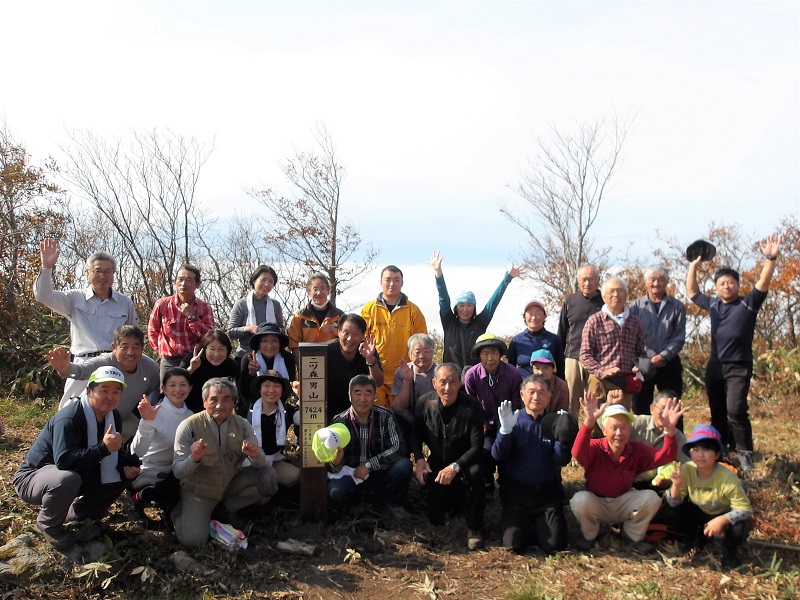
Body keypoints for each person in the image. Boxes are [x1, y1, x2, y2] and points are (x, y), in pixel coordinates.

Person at [13, 366, 141, 550]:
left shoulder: (113, 417)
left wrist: (128, 466)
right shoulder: (70, 417)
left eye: (116, 391)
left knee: (119, 475)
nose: (110, 397)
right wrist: (103, 448)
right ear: (89, 391)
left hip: (77, 472)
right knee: (67, 478)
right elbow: (64, 461)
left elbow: (112, 455)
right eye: (104, 390)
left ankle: (80, 517)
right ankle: (48, 524)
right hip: (34, 478)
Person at [687, 234, 781, 472]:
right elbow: (692, 292)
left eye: (730, 282)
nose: (726, 286)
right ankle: (721, 452)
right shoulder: (714, 305)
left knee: (736, 410)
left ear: (737, 285)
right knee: (717, 412)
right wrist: (693, 267)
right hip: (715, 365)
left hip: (739, 365)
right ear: (716, 288)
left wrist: (770, 259)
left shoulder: (748, 303)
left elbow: (763, 283)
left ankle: (745, 453)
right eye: (721, 284)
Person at [570, 391, 683, 552]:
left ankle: (631, 536)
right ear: (604, 430)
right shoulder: (596, 447)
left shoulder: (636, 450)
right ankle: (590, 535)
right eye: (614, 428)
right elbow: (577, 452)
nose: (619, 433)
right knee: (579, 500)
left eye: (624, 428)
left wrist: (670, 431)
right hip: (597, 501)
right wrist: (588, 423)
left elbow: (666, 456)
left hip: (624, 501)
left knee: (651, 498)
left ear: (630, 431)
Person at [171, 377, 273, 547]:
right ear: (204, 402)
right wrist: (194, 458)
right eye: (213, 399)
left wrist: (255, 455)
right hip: (200, 491)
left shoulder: (242, 424)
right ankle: (176, 512)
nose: (220, 405)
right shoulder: (188, 426)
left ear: (233, 402)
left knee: (267, 482)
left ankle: (225, 510)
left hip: (230, 484)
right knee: (193, 540)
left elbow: (261, 463)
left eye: (226, 399)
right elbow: (178, 471)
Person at [34, 239, 138, 406]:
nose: (102, 276)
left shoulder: (125, 302)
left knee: (110, 410)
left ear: (114, 275)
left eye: (108, 272)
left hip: (112, 364)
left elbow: (134, 336)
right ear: (88, 272)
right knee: (70, 409)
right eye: (97, 271)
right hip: (82, 364)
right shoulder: (75, 298)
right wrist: (46, 267)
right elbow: (43, 296)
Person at [492, 375, 576, 554]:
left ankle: (538, 525)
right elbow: (498, 455)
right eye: (531, 392)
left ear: (549, 396)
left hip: (547, 496)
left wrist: (563, 438)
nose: (536, 397)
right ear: (522, 394)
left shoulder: (554, 423)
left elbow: (561, 460)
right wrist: (504, 431)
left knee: (554, 547)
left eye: (541, 392)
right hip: (517, 495)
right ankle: (527, 525)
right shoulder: (512, 420)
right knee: (512, 546)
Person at [652, 424, 752, 568]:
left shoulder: (727, 477)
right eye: (696, 449)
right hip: (699, 512)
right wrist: (676, 485)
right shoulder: (687, 469)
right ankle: (696, 537)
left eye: (706, 449)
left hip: (723, 512)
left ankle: (730, 550)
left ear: (717, 454)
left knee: (739, 527)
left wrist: (722, 520)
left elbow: (745, 510)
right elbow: (673, 503)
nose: (700, 455)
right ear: (690, 453)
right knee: (671, 513)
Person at [412, 364, 485, 550]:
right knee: (435, 518)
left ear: (460, 383)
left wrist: (456, 466)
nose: (447, 388)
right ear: (434, 383)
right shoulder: (424, 403)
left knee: (476, 473)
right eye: (442, 382)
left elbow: (477, 446)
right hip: (438, 460)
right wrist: (419, 458)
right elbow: (415, 434)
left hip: (465, 460)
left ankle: (475, 528)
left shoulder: (472, 406)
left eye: (453, 382)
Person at [45, 325, 160, 439]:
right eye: (124, 347)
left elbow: (154, 396)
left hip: (120, 422)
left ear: (143, 348)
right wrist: (65, 369)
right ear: (114, 347)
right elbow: (81, 370)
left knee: (140, 427)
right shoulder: (104, 362)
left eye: (135, 347)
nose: (130, 353)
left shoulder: (150, 368)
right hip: (89, 420)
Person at [328, 375, 412, 521]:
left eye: (368, 394)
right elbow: (330, 465)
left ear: (374, 396)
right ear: (349, 396)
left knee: (404, 465)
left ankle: (394, 503)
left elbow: (399, 447)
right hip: (351, 474)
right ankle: (355, 501)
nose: (363, 399)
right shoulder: (339, 422)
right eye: (358, 393)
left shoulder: (386, 417)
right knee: (335, 492)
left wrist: (369, 465)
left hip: (378, 471)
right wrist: (336, 462)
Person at [429, 251, 521, 370]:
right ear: (456, 308)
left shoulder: (480, 323)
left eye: (469, 305)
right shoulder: (449, 322)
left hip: (475, 378)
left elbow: (493, 303)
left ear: (474, 307)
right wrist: (438, 274)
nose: (465, 309)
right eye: (461, 305)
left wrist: (507, 279)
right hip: (452, 377)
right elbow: (443, 298)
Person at [463, 334, 523, 496]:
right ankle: (487, 482)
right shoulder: (471, 375)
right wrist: (481, 421)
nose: (490, 358)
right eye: (485, 354)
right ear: (479, 356)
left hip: (507, 421)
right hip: (483, 422)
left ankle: (506, 482)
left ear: (500, 355)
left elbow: (517, 402)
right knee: (484, 451)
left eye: (494, 353)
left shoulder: (513, 374)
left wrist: (507, 425)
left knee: (507, 450)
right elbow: (471, 403)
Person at [361, 265, 428, 408]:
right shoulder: (369, 310)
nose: (392, 283)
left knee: (401, 418)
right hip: (375, 375)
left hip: (403, 377)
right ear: (381, 283)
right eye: (388, 280)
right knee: (376, 416)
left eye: (396, 280)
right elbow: (360, 341)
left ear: (402, 283)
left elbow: (422, 345)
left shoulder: (413, 311)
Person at [130, 368, 194, 510]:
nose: (178, 389)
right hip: (149, 470)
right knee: (173, 486)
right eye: (172, 385)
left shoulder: (191, 416)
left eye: (183, 384)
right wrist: (146, 421)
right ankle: (138, 497)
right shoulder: (154, 412)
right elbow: (136, 452)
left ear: (190, 388)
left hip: (175, 471)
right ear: (163, 389)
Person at [579, 277, 646, 410]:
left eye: (620, 291)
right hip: (600, 381)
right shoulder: (594, 321)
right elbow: (585, 355)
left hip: (624, 383)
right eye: (612, 291)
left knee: (620, 424)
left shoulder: (635, 322)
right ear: (604, 296)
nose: (616, 294)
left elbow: (641, 352)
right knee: (597, 423)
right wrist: (602, 371)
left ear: (626, 295)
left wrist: (638, 367)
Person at [629, 266, 686, 416]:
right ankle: (641, 440)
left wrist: (663, 356)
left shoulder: (677, 306)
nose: (656, 283)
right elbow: (633, 336)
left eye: (660, 280)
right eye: (652, 279)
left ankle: (674, 439)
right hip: (643, 363)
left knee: (672, 406)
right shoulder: (635, 307)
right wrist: (652, 356)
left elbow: (679, 337)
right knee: (640, 408)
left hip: (669, 363)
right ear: (646, 282)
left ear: (666, 282)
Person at [148, 265, 215, 378]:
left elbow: (210, 337)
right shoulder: (162, 304)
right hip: (169, 361)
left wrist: (192, 317)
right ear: (175, 282)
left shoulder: (204, 307)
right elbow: (152, 330)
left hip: (194, 358)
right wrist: (160, 350)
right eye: (180, 279)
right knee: (167, 393)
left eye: (189, 280)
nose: (183, 284)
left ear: (197, 284)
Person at [557, 264, 604, 418]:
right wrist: (559, 360)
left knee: (596, 400)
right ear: (578, 281)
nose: (587, 283)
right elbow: (562, 332)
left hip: (598, 359)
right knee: (571, 402)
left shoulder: (605, 302)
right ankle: (571, 437)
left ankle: (595, 437)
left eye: (591, 279)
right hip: (573, 357)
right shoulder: (570, 301)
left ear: (598, 280)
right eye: (583, 280)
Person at [245, 370, 300, 491]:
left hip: (275, 459)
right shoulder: (248, 410)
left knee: (295, 476)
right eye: (266, 385)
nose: (271, 390)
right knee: (255, 486)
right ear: (260, 389)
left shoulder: (286, 411)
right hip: (250, 461)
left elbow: (304, 418)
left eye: (276, 386)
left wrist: (301, 396)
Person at [325, 314, 383, 421]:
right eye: (346, 333)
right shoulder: (326, 351)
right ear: (338, 332)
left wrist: (370, 359)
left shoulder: (367, 350)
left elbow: (378, 382)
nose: (350, 339)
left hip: (359, 411)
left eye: (355, 334)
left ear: (362, 336)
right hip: (328, 410)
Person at [631, 390, 689, 490]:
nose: (666, 414)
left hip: (654, 487)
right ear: (652, 409)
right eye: (663, 408)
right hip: (626, 480)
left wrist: (670, 481)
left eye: (671, 410)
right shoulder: (636, 423)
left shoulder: (678, 437)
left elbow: (688, 467)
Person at [227, 264, 285, 362]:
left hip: (271, 356)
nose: (267, 284)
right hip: (246, 355)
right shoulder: (241, 304)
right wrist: (248, 329)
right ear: (254, 281)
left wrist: (277, 330)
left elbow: (282, 330)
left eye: (271, 281)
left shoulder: (275, 305)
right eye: (263, 280)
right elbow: (231, 332)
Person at [390, 333, 437, 451]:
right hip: (405, 419)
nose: (422, 356)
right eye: (417, 352)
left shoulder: (439, 373)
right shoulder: (401, 372)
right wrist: (407, 381)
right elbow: (400, 407)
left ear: (432, 353)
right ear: (410, 354)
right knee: (401, 448)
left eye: (426, 351)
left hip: (431, 421)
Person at [239, 323, 297, 411]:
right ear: (258, 343)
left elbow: (289, 387)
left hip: (280, 405)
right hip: (252, 407)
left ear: (280, 343)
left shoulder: (287, 358)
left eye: (274, 341)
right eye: (265, 341)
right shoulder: (248, 359)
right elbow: (243, 392)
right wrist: (251, 374)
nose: (270, 345)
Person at [287, 272, 345, 357]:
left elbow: (348, 339)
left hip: (334, 363)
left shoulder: (339, 316)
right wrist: (301, 365)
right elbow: (294, 344)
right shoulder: (299, 317)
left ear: (328, 291)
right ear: (309, 293)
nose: (319, 292)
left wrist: (335, 331)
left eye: (322, 288)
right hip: (308, 363)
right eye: (315, 289)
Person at [180, 329, 238, 413]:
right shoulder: (192, 359)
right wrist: (191, 369)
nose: (216, 354)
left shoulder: (230, 365)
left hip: (218, 412)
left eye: (221, 349)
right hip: (189, 410)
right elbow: (176, 382)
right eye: (212, 349)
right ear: (204, 349)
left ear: (227, 350)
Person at [508, 300, 565, 379]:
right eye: (530, 314)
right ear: (524, 316)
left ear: (545, 316)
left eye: (538, 314)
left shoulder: (554, 339)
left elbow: (560, 366)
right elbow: (510, 368)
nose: (534, 317)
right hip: (522, 385)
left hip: (547, 387)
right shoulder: (517, 340)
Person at [529, 349, 569, 414]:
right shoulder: (526, 386)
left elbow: (562, 414)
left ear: (553, 369)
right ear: (532, 369)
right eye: (537, 368)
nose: (541, 372)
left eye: (545, 368)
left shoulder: (561, 387)